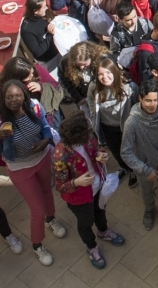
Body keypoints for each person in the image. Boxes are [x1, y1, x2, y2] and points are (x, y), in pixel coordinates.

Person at [0, 80, 66, 266]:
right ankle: (37, 246)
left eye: (17, 95)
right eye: (9, 97)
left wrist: (46, 140)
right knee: (37, 209)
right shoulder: (1, 120)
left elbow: (45, 127)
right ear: (3, 99)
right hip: (20, 170)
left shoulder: (34, 107)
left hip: (42, 159)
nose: (14, 100)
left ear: (24, 95)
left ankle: (51, 220)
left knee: (47, 192)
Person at [52, 110, 125, 269]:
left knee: (100, 211)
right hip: (79, 198)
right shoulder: (60, 154)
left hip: (98, 187)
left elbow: (96, 151)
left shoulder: (89, 137)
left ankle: (103, 231)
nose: (91, 127)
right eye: (87, 126)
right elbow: (60, 184)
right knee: (86, 222)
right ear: (76, 133)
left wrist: (101, 154)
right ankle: (91, 246)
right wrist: (77, 182)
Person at [120, 78, 158, 231]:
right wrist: (145, 170)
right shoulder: (132, 122)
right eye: (148, 100)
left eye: (155, 100)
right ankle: (149, 209)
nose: (152, 104)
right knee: (146, 190)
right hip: (143, 167)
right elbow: (125, 152)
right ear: (140, 98)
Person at [86, 57, 138, 187]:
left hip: (126, 126)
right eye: (100, 74)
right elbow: (91, 106)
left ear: (114, 71)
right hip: (107, 127)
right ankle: (125, 168)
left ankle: (134, 170)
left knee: (130, 149)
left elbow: (137, 105)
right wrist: (95, 124)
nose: (104, 77)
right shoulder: (93, 88)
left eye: (108, 73)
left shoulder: (129, 86)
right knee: (116, 151)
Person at [59, 42, 109, 106]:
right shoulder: (65, 62)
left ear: (92, 57)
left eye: (84, 64)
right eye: (78, 65)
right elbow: (65, 80)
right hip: (84, 97)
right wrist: (78, 98)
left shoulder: (103, 59)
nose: (81, 67)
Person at [20, 0, 60, 73]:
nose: (47, 8)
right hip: (48, 61)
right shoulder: (27, 30)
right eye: (44, 7)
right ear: (35, 11)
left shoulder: (43, 14)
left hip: (58, 52)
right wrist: (49, 35)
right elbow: (37, 52)